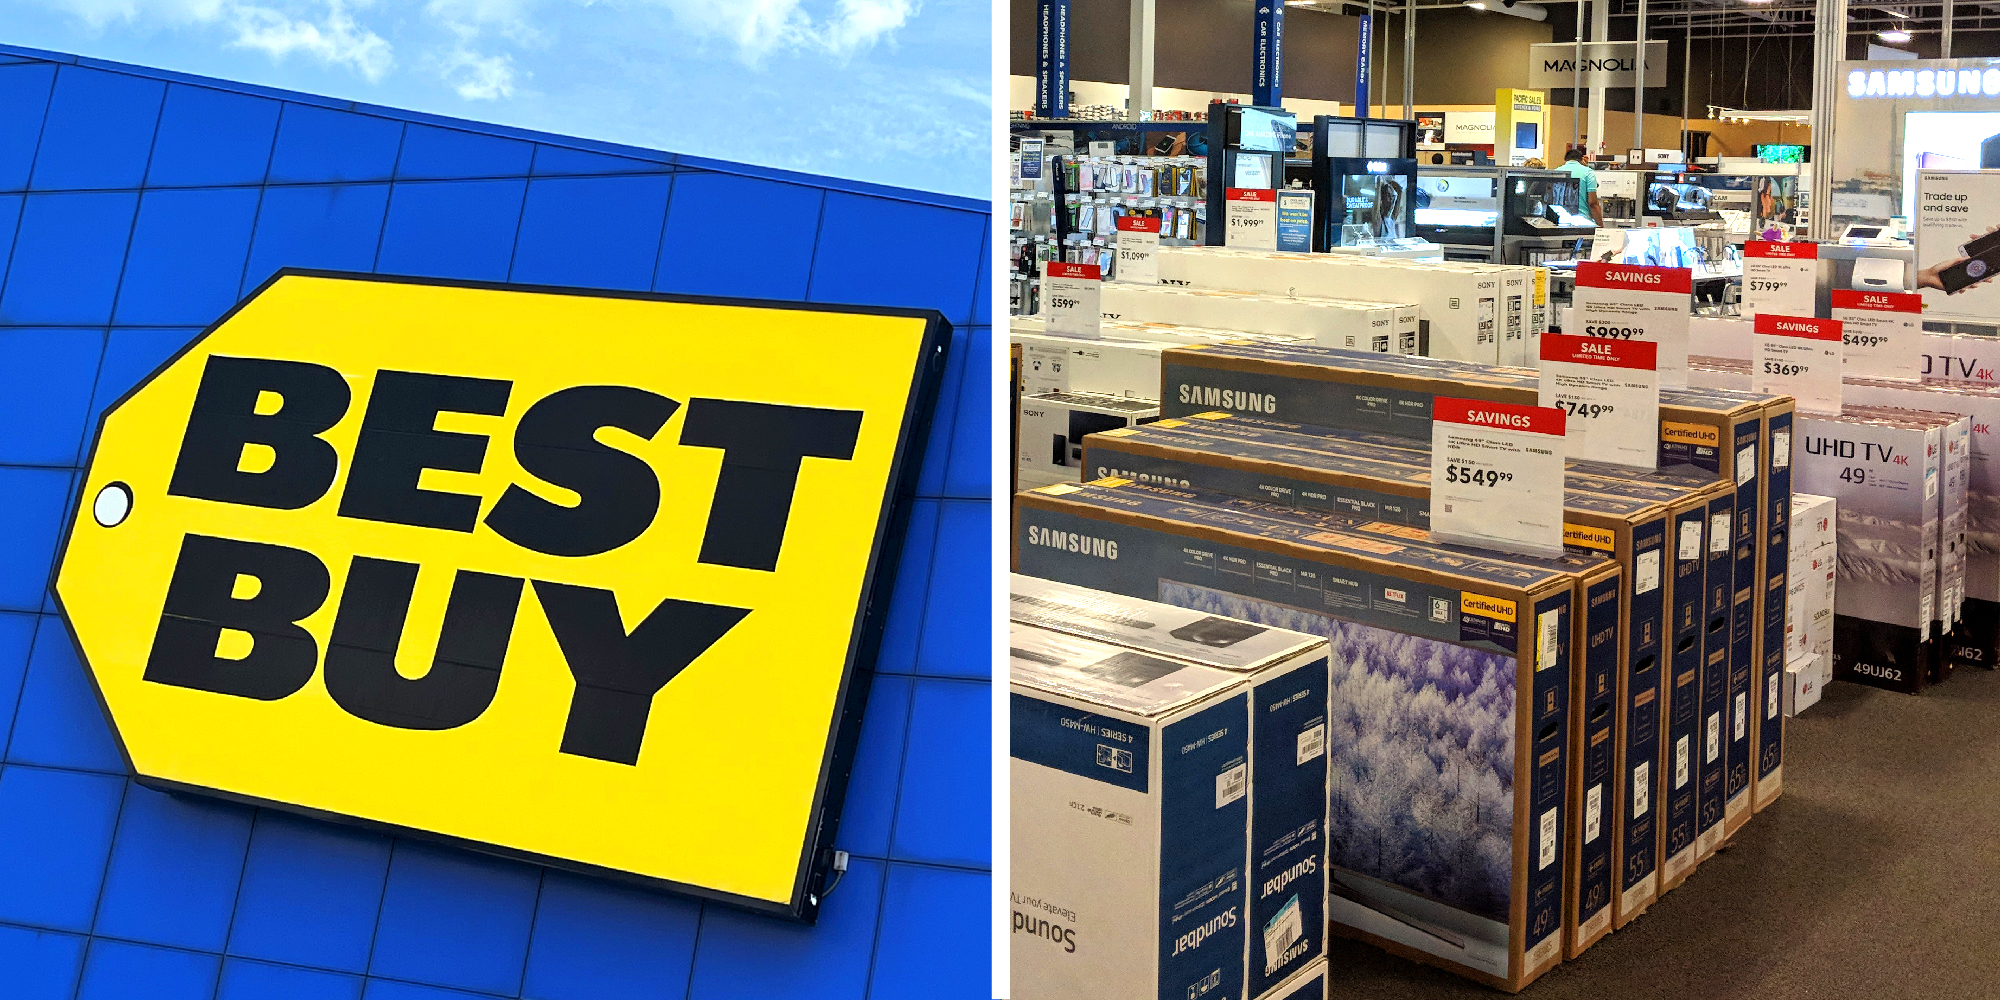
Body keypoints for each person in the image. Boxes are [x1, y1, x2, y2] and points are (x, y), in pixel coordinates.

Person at [1557, 146, 1603, 224]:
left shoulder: (1556, 172)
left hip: (1560, 220)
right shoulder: (1588, 173)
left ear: (1565, 160)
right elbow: (1593, 203)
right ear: (1582, 159)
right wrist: (1600, 226)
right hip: (1582, 221)